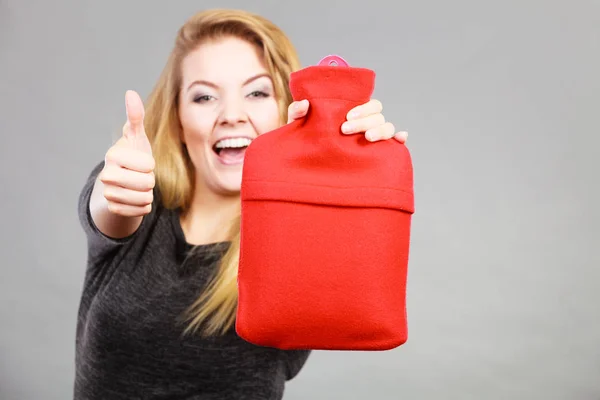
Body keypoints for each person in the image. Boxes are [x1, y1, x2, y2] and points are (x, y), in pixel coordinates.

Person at [75, 8, 409, 400]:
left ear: (288, 110)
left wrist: (352, 168)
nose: (232, 115)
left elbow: (350, 286)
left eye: (257, 92)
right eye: (204, 96)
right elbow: (109, 210)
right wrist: (114, 190)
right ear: (179, 120)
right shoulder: (137, 191)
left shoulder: (301, 231)